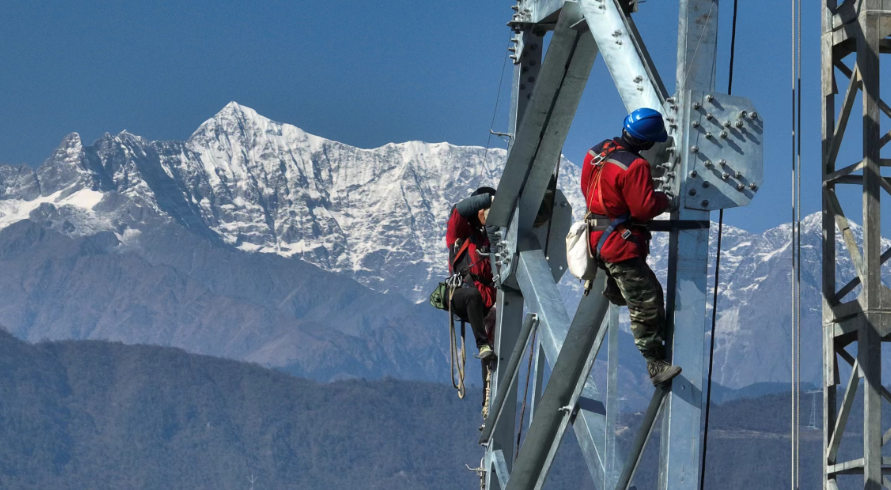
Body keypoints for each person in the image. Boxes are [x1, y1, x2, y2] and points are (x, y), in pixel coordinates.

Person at [580, 108, 682, 386]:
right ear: (647, 142)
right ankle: (655, 364)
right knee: (647, 301)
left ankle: (617, 286)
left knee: (637, 288)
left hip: (596, 236)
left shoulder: (597, 151)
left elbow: (587, 186)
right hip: (618, 245)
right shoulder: (635, 166)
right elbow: (643, 209)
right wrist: (664, 199)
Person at [445, 187, 497, 362]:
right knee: (472, 295)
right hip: (462, 293)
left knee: (494, 355)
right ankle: (482, 344)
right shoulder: (460, 233)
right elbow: (458, 210)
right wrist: (490, 199)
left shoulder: (493, 240)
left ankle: (489, 378)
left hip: (488, 300)